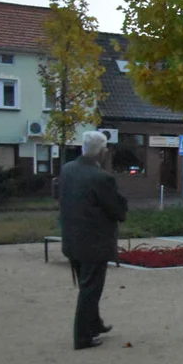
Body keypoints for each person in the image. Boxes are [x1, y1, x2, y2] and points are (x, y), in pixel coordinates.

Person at [59, 130, 128, 350]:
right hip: (94, 243)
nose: (107, 152)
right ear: (101, 152)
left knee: (86, 285)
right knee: (90, 289)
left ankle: (94, 324)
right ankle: (82, 337)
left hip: (72, 240)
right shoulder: (101, 178)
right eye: (105, 148)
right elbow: (118, 210)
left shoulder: (67, 170)